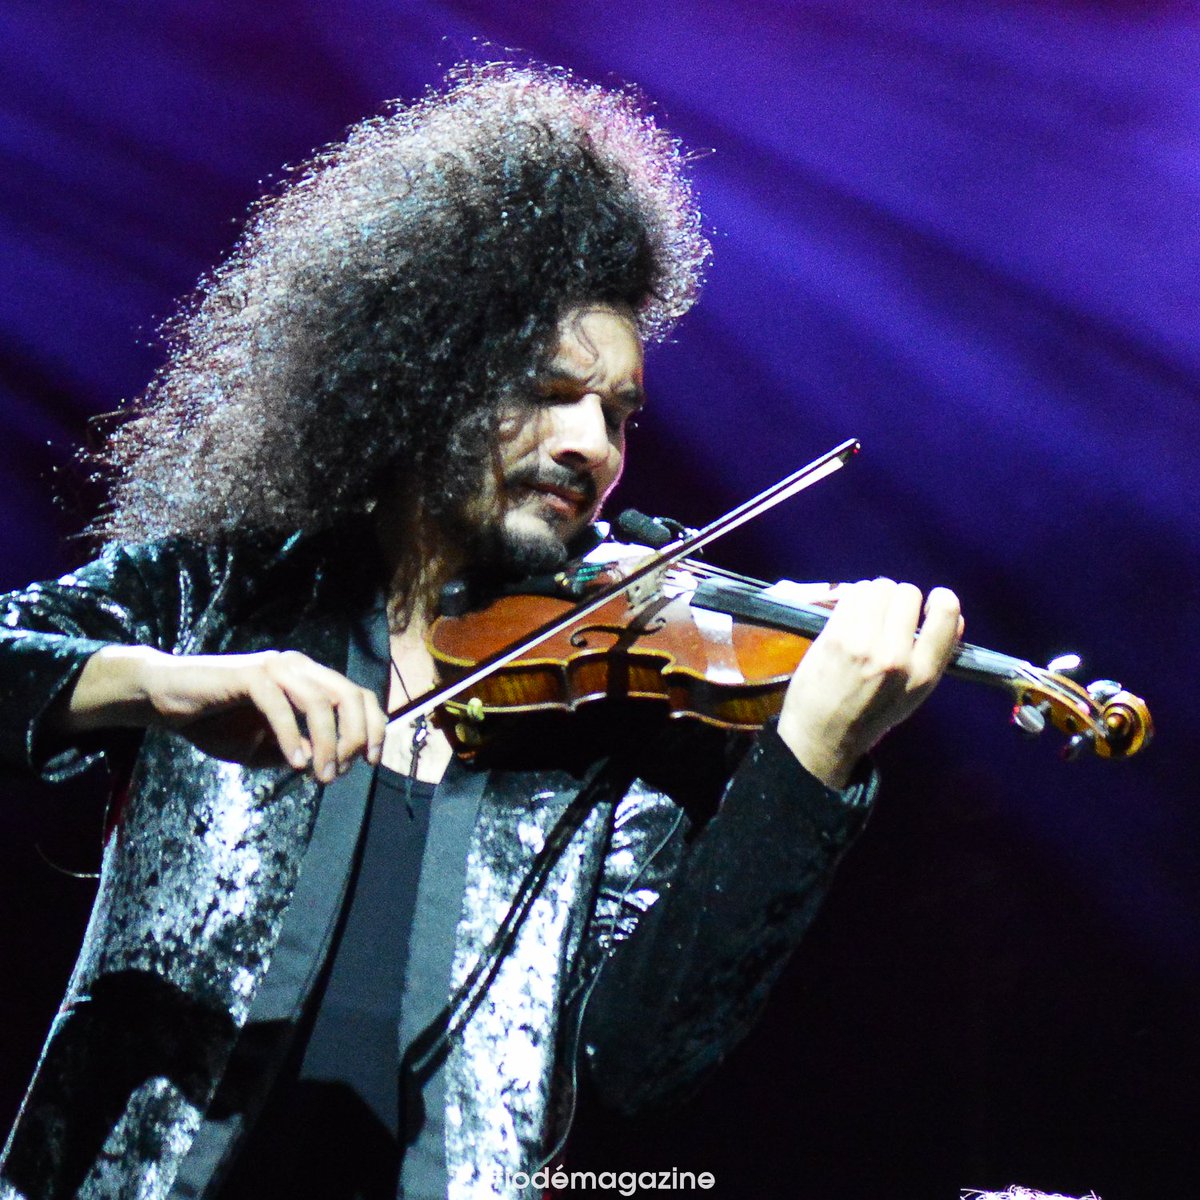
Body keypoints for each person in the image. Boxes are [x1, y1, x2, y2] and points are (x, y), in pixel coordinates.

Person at [0, 64, 961, 1199]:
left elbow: (635, 1066)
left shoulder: (605, 721)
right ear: (428, 369)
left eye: (617, 414)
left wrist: (809, 763)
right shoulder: (225, 592)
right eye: (551, 390)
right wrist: (155, 685)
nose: (592, 446)